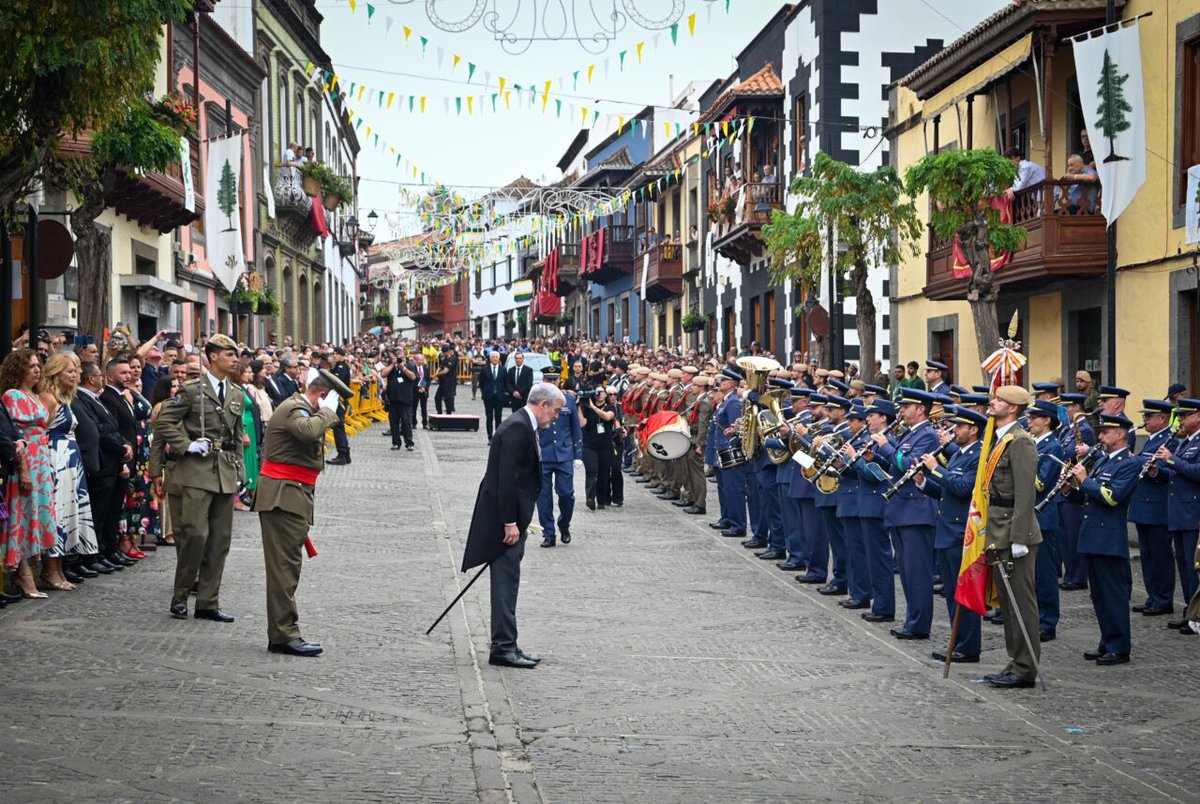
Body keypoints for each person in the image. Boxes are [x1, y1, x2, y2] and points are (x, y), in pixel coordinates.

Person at [461, 382, 564, 669]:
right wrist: (510, 523)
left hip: (513, 519)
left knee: (510, 583)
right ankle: (503, 647)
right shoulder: (517, 427)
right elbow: (504, 481)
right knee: (505, 585)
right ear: (543, 405)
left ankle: (508, 643)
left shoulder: (523, 425)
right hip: (504, 523)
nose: (556, 417)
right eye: (555, 410)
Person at [150, 334, 245, 622]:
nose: (234, 359)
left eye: (235, 354)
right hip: (195, 471)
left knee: (220, 540)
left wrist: (239, 469)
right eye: (229, 354)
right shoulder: (192, 390)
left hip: (224, 472)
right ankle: (180, 596)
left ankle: (208, 602)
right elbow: (164, 422)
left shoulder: (237, 393)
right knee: (194, 535)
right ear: (212, 356)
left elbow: (237, 436)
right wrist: (185, 444)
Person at [255, 369, 343, 657]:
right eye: (332, 402)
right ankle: (284, 635)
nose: (335, 412)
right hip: (284, 497)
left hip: (292, 497)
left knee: (288, 567)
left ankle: (283, 631)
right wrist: (328, 411)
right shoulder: (294, 408)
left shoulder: (301, 408)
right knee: (284, 569)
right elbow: (309, 432)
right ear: (321, 394)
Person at [981, 385, 1042, 690]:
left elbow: (1025, 493)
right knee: (1008, 603)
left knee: (1021, 603)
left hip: (1013, 532)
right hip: (997, 530)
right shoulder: (999, 438)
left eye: (999, 400)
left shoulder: (1020, 443)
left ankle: (1025, 667)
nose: (993, 403)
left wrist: (1019, 536)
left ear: (1014, 408)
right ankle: (1015, 660)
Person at [1072, 413, 1140, 665]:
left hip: (1109, 539)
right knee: (1099, 596)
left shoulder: (1129, 464)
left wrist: (1085, 480)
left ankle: (1119, 647)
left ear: (1121, 434)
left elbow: (1112, 497)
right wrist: (1071, 488)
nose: (1100, 436)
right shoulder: (1104, 461)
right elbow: (1089, 498)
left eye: (1105, 432)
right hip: (1093, 537)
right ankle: (1106, 641)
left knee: (1113, 595)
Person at [918, 406, 985, 663]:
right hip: (947, 529)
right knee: (952, 592)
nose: (954, 431)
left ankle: (968, 646)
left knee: (964, 592)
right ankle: (957, 641)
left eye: (960, 427)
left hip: (961, 532)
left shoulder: (977, 455)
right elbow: (946, 491)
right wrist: (924, 483)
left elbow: (962, 488)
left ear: (973, 430)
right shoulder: (960, 454)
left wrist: (936, 469)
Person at [1, 349, 57, 597]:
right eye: (31, 366)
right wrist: (23, 465)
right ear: (18, 369)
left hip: (41, 459)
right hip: (26, 459)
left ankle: (32, 569)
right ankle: (21, 571)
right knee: (22, 513)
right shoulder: (12, 395)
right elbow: (14, 434)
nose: (37, 369)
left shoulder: (34, 395)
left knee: (38, 511)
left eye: (38, 365)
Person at [40, 353, 99, 587]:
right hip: (57, 460)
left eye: (76, 371)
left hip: (71, 463)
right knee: (57, 514)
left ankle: (59, 569)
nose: (75, 375)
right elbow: (39, 432)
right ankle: (50, 571)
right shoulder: (48, 398)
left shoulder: (64, 398)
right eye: (70, 371)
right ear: (56, 373)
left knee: (68, 515)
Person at [1153, 397, 1200, 634]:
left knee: (1194, 568)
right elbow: (1174, 474)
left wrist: (1170, 459)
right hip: (1179, 512)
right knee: (1183, 565)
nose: (1179, 420)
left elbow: (1197, 472)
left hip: (1193, 513)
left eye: (1184, 415)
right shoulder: (1184, 442)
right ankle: (1189, 612)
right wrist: (1156, 470)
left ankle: (1197, 616)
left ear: (1198, 416)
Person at [1129, 399, 1176, 617]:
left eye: (1149, 416)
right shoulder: (1151, 439)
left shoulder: (1170, 440)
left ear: (1162, 418)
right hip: (1144, 506)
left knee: (1160, 556)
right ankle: (1152, 596)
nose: (1144, 420)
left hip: (1157, 508)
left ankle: (1163, 599)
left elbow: (1168, 472)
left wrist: (1140, 464)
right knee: (1147, 556)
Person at [1025, 399, 1066, 642]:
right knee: (1031, 572)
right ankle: (1035, 616)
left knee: (1045, 572)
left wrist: (1020, 466)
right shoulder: (1033, 442)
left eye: (1034, 417)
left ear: (1047, 420)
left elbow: (1041, 482)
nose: (1029, 421)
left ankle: (1048, 621)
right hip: (1029, 514)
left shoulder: (1053, 446)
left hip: (1044, 516)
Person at [536, 372, 582, 547]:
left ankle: (564, 524)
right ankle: (548, 533)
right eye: (549, 380)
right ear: (544, 381)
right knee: (543, 497)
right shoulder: (537, 401)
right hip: (544, 455)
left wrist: (578, 454)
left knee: (566, 494)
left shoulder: (568, 400)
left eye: (555, 379)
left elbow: (575, 428)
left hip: (564, 454)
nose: (552, 382)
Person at [381, 349, 417, 451]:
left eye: (402, 358)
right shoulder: (391, 366)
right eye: (399, 358)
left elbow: (413, 377)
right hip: (393, 400)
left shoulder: (410, 366)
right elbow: (383, 374)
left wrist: (403, 368)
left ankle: (409, 443)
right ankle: (396, 443)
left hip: (405, 400)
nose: (401, 360)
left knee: (406, 423)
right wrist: (393, 364)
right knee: (394, 423)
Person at [325, 349, 354, 465]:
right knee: (338, 427)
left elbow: (336, 383)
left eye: (336, 354)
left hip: (338, 401)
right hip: (336, 401)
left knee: (338, 427)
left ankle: (342, 454)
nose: (334, 356)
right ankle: (345, 454)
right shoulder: (337, 366)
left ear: (342, 356)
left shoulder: (341, 368)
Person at [478, 351, 507, 442]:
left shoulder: (503, 370)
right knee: (489, 417)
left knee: (498, 417)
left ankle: (497, 437)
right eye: (493, 357)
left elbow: (505, 383)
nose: (495, 359)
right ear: (490, 359)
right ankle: (490, 437)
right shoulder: (485, 369)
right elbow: (481, 383)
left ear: (499, 359)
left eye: (496, 357)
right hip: (488, 397)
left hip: (499, 397)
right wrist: (486, 391)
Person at [434, 343, 459, 415]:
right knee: (437, 398)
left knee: (448, 399)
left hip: (449, 382)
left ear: (448, 351)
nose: (443, 353)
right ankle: (439, 412)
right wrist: (436, 373)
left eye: (444, 352)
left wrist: (437, 374)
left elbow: (445, 370)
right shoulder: (445, 358)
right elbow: (440, 366)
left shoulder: (452, 359)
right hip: (442, 382)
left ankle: (448, 414)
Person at [412, 352, 431, 428]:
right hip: (415, 391)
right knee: (414, 408)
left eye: (421, 360)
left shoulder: (425, 368)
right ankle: (413, 423)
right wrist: (418, 388)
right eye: (418, 360)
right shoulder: (412, 368)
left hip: (424, 391)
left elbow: (428, 380)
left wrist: (425, 388)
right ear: (415, 360)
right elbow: (412, 381)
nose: (420, 361)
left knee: (424, 408)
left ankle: (425, 423)